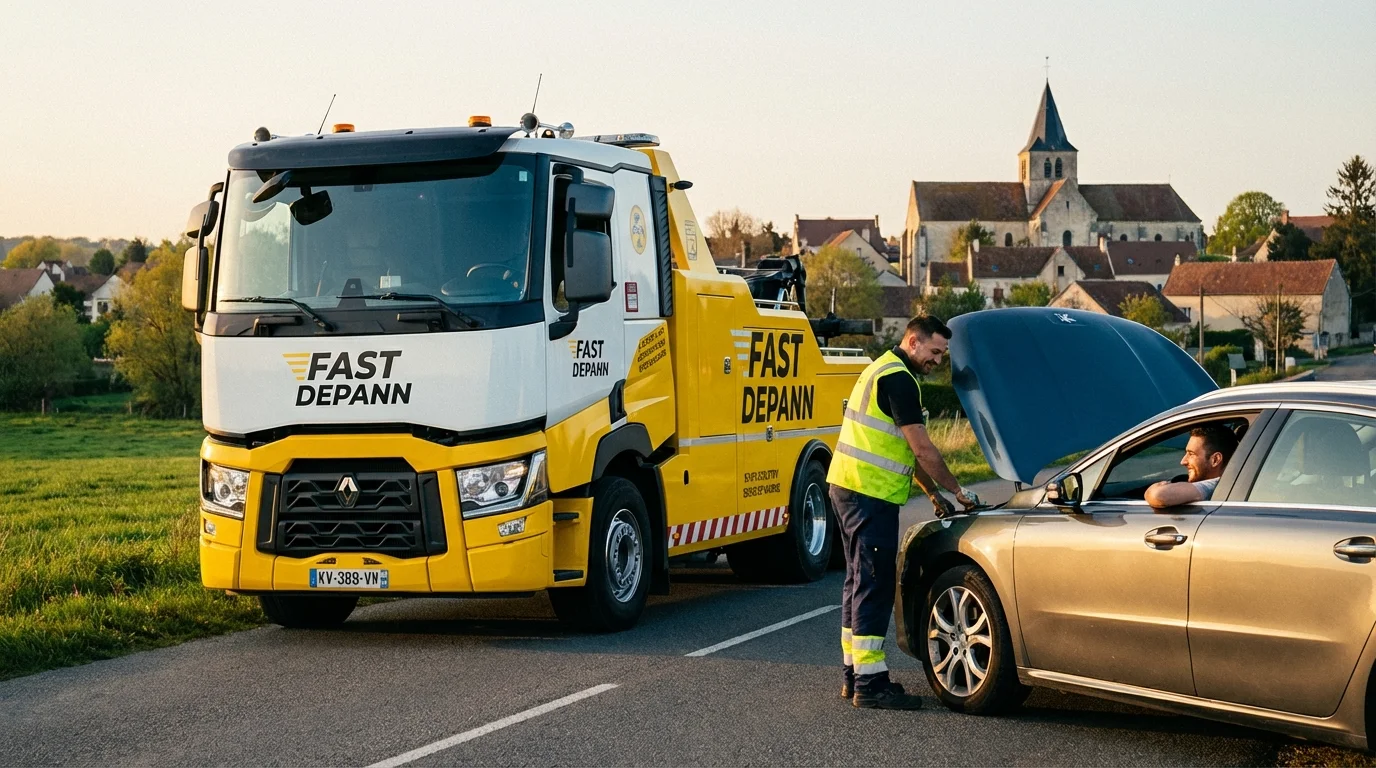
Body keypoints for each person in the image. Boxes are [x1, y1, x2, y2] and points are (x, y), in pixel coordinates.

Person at [827, 315, 981, 710]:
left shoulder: (882, 369)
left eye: (942, 355)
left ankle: (853, 675)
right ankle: (870, 684)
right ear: (913, 341)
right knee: (875, 586)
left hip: (849, 488)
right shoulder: (899, 380)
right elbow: (922, 448)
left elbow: (896, 449)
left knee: (857, 583)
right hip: (868, 496)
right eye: (934, 352)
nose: (937, 361)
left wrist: (931, 494)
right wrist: (957, 489)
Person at [1145, 424, 1239, 508]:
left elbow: (1159, 495)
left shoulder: (1214, 485)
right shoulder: (1234, 482)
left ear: (1215, 460)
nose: (1183, 461)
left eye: (1191, 454)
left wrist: (1156, 488)